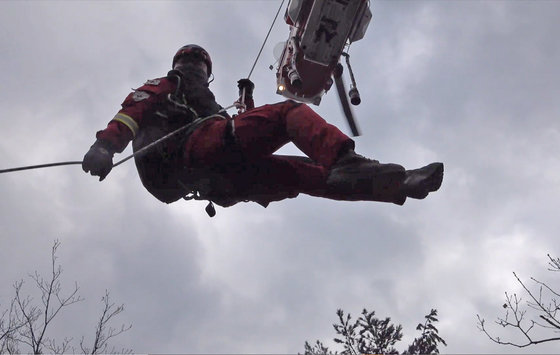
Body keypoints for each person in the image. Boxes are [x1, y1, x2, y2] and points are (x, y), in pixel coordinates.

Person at [83, 44, 443, 212]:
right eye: (195, 64)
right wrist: (105, 146)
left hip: (214, 178)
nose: (196, 70)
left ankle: (397, 183)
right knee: (289, 113)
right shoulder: (168, 85)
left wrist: (247, 106)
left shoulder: (199, 107)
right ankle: (345, 159)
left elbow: (240, 135)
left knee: (308, 175)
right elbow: (133, 110)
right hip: (189, 156)